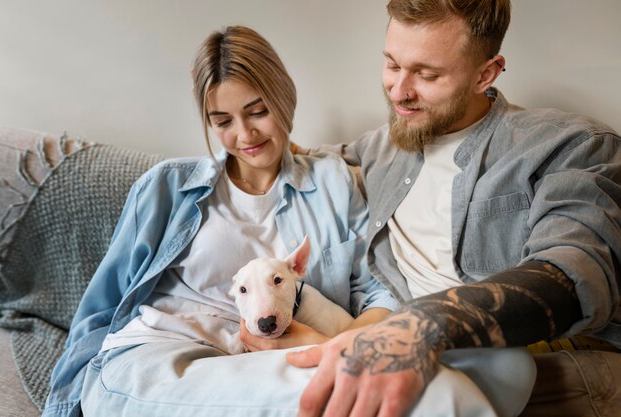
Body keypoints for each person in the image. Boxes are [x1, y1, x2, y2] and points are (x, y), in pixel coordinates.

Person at [248, 0, 621, 416]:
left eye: (427, 74)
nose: (399, 91)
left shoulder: (570, 145)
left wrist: (421, 325)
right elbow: (294, 159)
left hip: (543, 359)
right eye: (391, 64)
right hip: (408, 360)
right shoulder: (381, 149)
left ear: (486, 74)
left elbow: (576, 271)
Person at [41, 25, 400, 417]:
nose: (245, 134)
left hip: (269, 363)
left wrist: (333, 346)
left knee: (353, 395)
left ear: (285, 98)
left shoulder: (334, 182)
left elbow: (381, 293)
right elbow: (101, 309)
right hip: (156, 358)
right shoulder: (167, 187)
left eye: (257, 111)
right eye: (222, 121)